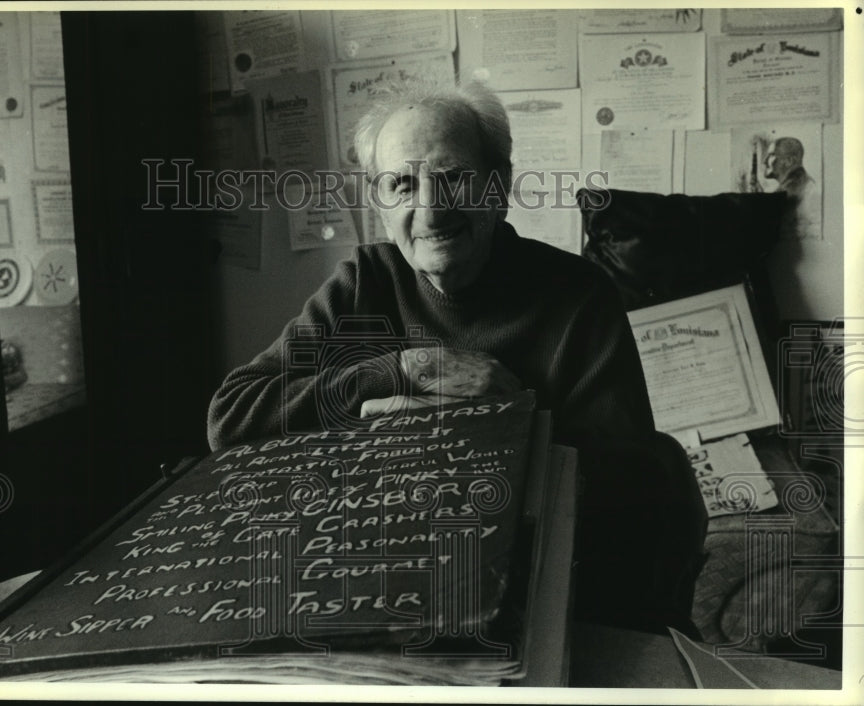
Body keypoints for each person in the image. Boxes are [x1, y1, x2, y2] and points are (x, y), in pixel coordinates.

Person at [207, 80, 706, 635]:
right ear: (380, 202)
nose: (430, 209)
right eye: (402, 183)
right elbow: (231, 418)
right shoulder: (363, 282)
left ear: (499, 187)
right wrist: (398, 370)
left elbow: (632, 487)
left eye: (452, 178)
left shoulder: (579, 296)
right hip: (378, 577)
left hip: (537, 587)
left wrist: (512, 423)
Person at [764, 136, 814, 202]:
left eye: (772, 155)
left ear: (789, 161)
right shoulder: (803, 184)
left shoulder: (789, 194)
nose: (764, 161)